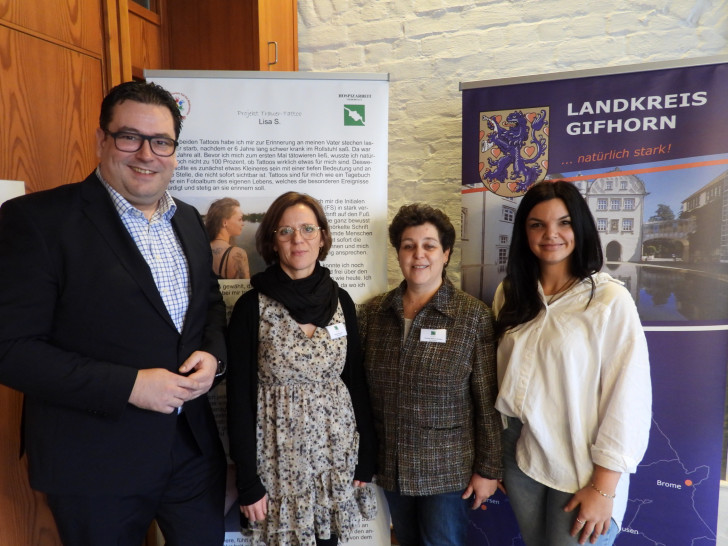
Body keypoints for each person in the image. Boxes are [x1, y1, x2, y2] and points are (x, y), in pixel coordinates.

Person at [0, 81, 228, 546]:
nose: (147, 154)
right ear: (102, 140)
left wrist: (213, 358)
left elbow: (210, 308)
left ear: (175, 151)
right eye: (130, 137)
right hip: (94, 464)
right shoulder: (36, 221)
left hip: (190, 451)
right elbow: (11, 350)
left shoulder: (188, 218)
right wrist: (130, 386)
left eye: (161, 141)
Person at [494, 181, 652, 546]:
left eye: (564, 223)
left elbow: (628, 398)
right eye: (537, 224)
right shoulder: (510, 293)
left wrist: (604, 488)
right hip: (521, 453)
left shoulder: (610, 300)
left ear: (579, 228)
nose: (551, 234)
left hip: (583, 462)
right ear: (524, 232)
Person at [226, 191, 377, 546]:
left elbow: (355, 380)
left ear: (322, 236)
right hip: (278, 462)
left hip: (336, 453)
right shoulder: (252, 307)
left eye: (308, 229)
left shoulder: (341, 302)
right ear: (272, 241)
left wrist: (366, 455)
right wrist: (248, 480)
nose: (298, 239)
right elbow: (239, 399)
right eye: (285, 231)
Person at [360, 203, 502, 546]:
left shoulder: (472, 318)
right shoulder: (373, 314)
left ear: (446, 253)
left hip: (448, 473)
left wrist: (488, 469)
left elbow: (487, 402)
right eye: (408, 245)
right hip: (391, 465)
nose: (418, 254)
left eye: (429, 245)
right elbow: (360, 395)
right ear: (398, 254)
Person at [206, 197, 251, 279]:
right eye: (240, 219)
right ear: (225, 222)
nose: (243, 223)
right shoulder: (238, 253)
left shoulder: (201, 249)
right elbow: (244, 290)